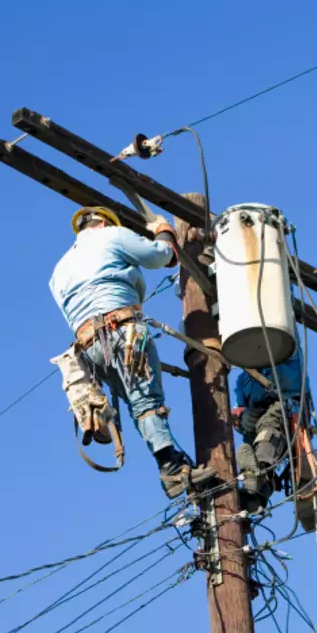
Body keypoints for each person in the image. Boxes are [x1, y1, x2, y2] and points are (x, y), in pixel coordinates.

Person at [49, 206, 215, 498]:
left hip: (89, 350)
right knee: (146, 402)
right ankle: (172, 469)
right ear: (103, 222)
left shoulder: (59, 270)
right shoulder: (112, 235)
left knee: (138, 405)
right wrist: (164, 232)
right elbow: (162, 256)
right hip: (123, 331)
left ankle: (175, 466)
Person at [231, 336, 310, 507]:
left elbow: (291, 378)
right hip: (256, 420)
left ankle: (257, 473)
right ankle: (257, 492)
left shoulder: (287, 352)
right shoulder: (243, 380)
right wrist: (244, 417)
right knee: (252, 437)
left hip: (286, 408)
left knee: (270, 425)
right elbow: (238, 410)